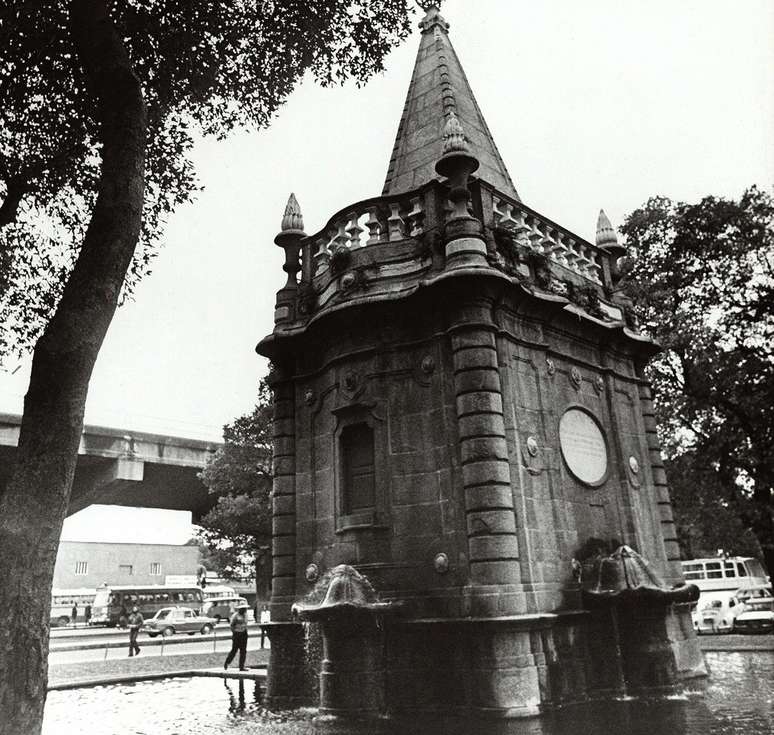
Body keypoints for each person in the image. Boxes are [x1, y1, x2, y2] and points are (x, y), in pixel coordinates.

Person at [224, 602, 249, 671]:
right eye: (243, 609)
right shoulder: (235, 616)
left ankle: (241, 666)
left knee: (243, 651)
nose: (244, 610)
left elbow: (246, 623)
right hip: (237, 634)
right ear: (240, 609)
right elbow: (232, 625)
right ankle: (227, 662)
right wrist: (235, 633)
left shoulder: (246, 615)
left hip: (244, 634)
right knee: (234, 650)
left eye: (245, 608)